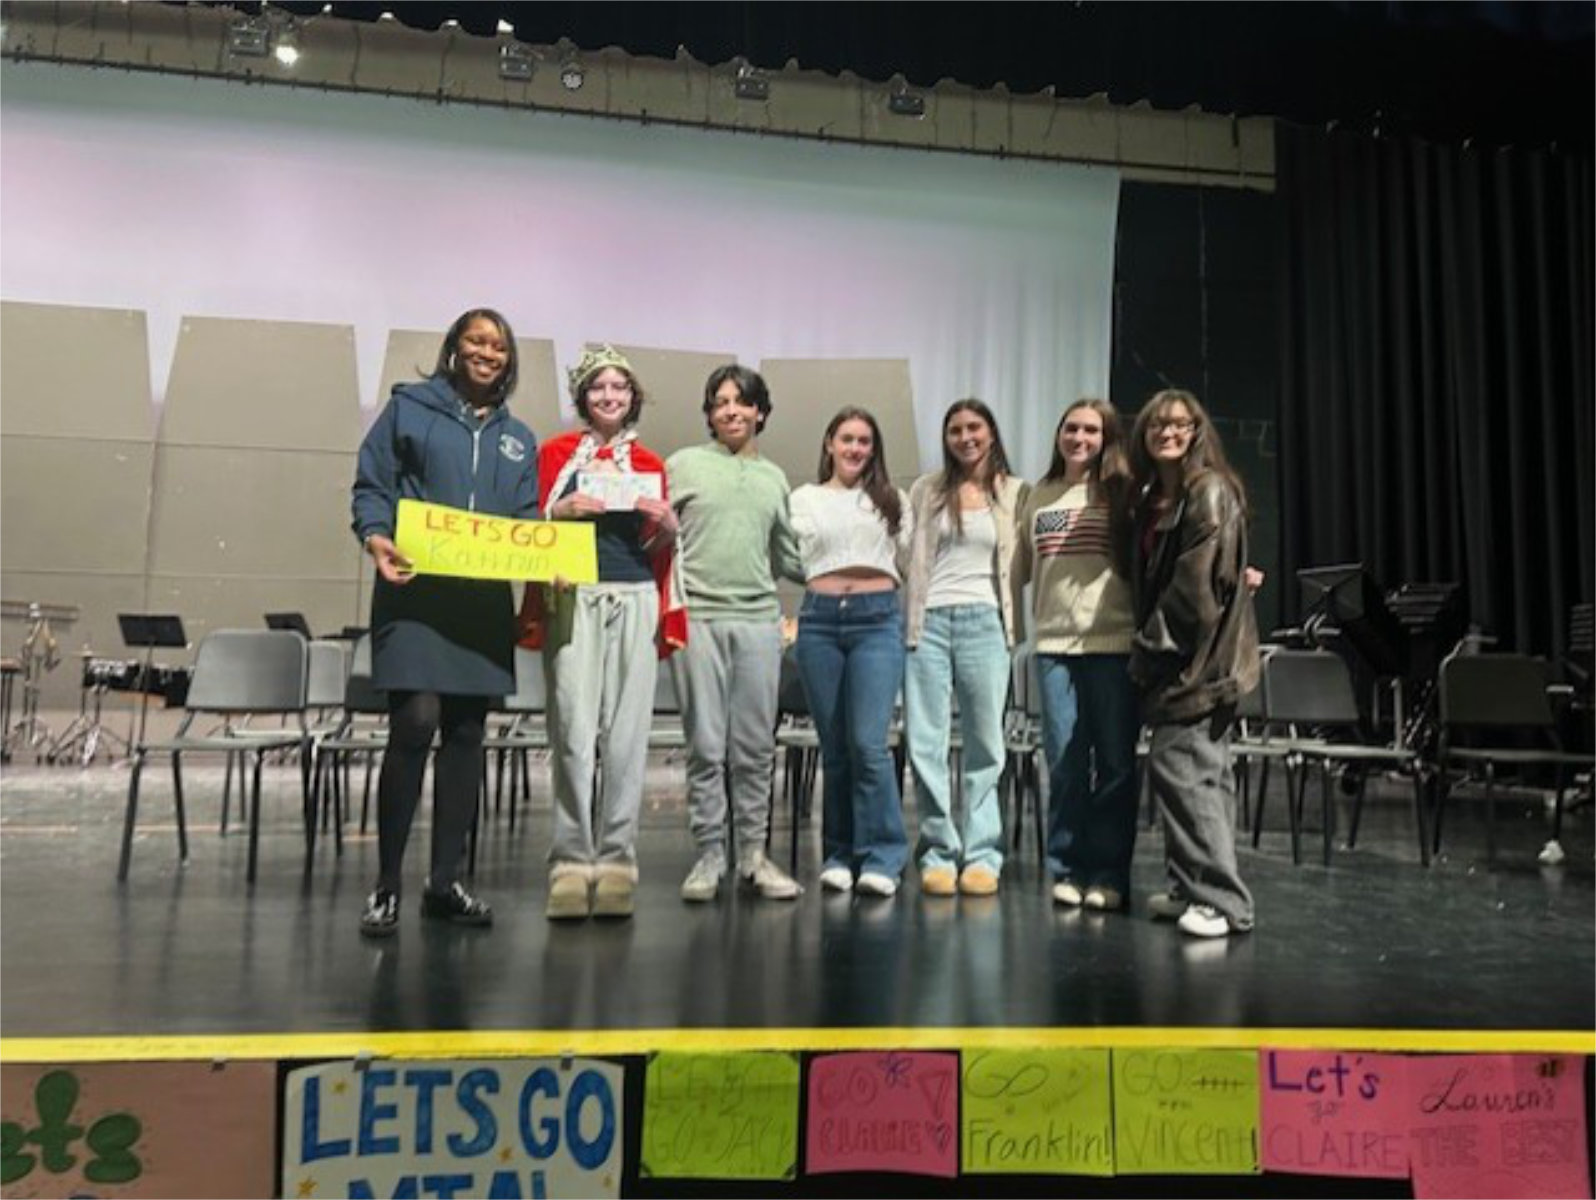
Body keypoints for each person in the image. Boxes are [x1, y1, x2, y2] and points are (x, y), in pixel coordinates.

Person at [351, 307, 539, 937]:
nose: (488, 352)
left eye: (499, 346)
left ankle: (446, 883)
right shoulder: (409, 408)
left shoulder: (520, 438)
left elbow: (526, 518)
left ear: (508, 361)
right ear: (455, 347)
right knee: (416, 722)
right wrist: (376, 538)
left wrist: (550, 557)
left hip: (481, 604)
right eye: (477, 341)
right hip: (414, 595)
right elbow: (371, 485)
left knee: (465, 736)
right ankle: (385, 885)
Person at [526, 344, 684, 921]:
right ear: (582, 396)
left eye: (619, 387)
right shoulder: (554, 455)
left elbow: (656, 547)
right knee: (571, 726)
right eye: (598, 387)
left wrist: (669, 527)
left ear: (633, 396)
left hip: (635, 593)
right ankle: (570, 858)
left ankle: (617, 857)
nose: (609, 396)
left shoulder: (650, 463)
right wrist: (558, 512)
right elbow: (527, 526)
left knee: (627, 733)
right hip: (575, 595)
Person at [668, 365, 804, 902]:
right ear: (710, 413)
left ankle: (752, 854)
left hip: (757, 623)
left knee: (753, 747)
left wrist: (860, 556)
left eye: (741, 402)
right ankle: (709, 857)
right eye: (720, 402)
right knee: (705, 744)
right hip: (697, 618)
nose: (730, 410)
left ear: (759, 412)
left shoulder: (774, 478)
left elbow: (790, 556)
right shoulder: (682, 466)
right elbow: (651, 531)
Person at [1127, 388, 1260, 938]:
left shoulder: (1207, 492)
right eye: (1158, 425)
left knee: (1188, 775)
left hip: (1196, 666)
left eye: (1180, 424)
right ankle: (1191, 888)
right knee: (1192, 776)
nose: (1168, 432)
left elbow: (1195, 596)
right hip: (1188, 663)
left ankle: (1224, 903)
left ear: (1198, 431)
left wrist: (1146, 650)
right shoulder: (1162, 495)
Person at [1015, 399, 1140, 912]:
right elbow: (1018, 568)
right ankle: (1066, 868)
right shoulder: (1038, 494)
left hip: (1113, 644)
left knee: (1114, 764)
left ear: (1107, 437)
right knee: (1065, 764)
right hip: (1053, 646)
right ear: (1058, 434)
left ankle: (1108, 875)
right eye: (1071, 428)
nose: (1080, 438)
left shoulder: (1125, 494)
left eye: (1092, 430)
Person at [902, 400, 1029, 897]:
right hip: (928, 622)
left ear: (991, 433)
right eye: (954, 429)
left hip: (986, 623)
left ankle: (981, 853)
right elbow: (903, 551)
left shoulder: (1016, 493)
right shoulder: (926, 490)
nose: (964, 436)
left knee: (985, 744)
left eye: (974, 427)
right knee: (925, 742)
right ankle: (937, 850)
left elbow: (1035, 559)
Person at [789, 407, 912, 897]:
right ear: (829, 443)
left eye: (865, 441)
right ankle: (840, 852)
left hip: (876, 620)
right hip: (819, 621)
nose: (856, 448)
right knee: (835, 747)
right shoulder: (803, 498)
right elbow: (791, 555)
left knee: (868, 745)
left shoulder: (891, 499)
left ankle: (883, 854)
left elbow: (903, 559)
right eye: (847, 439)